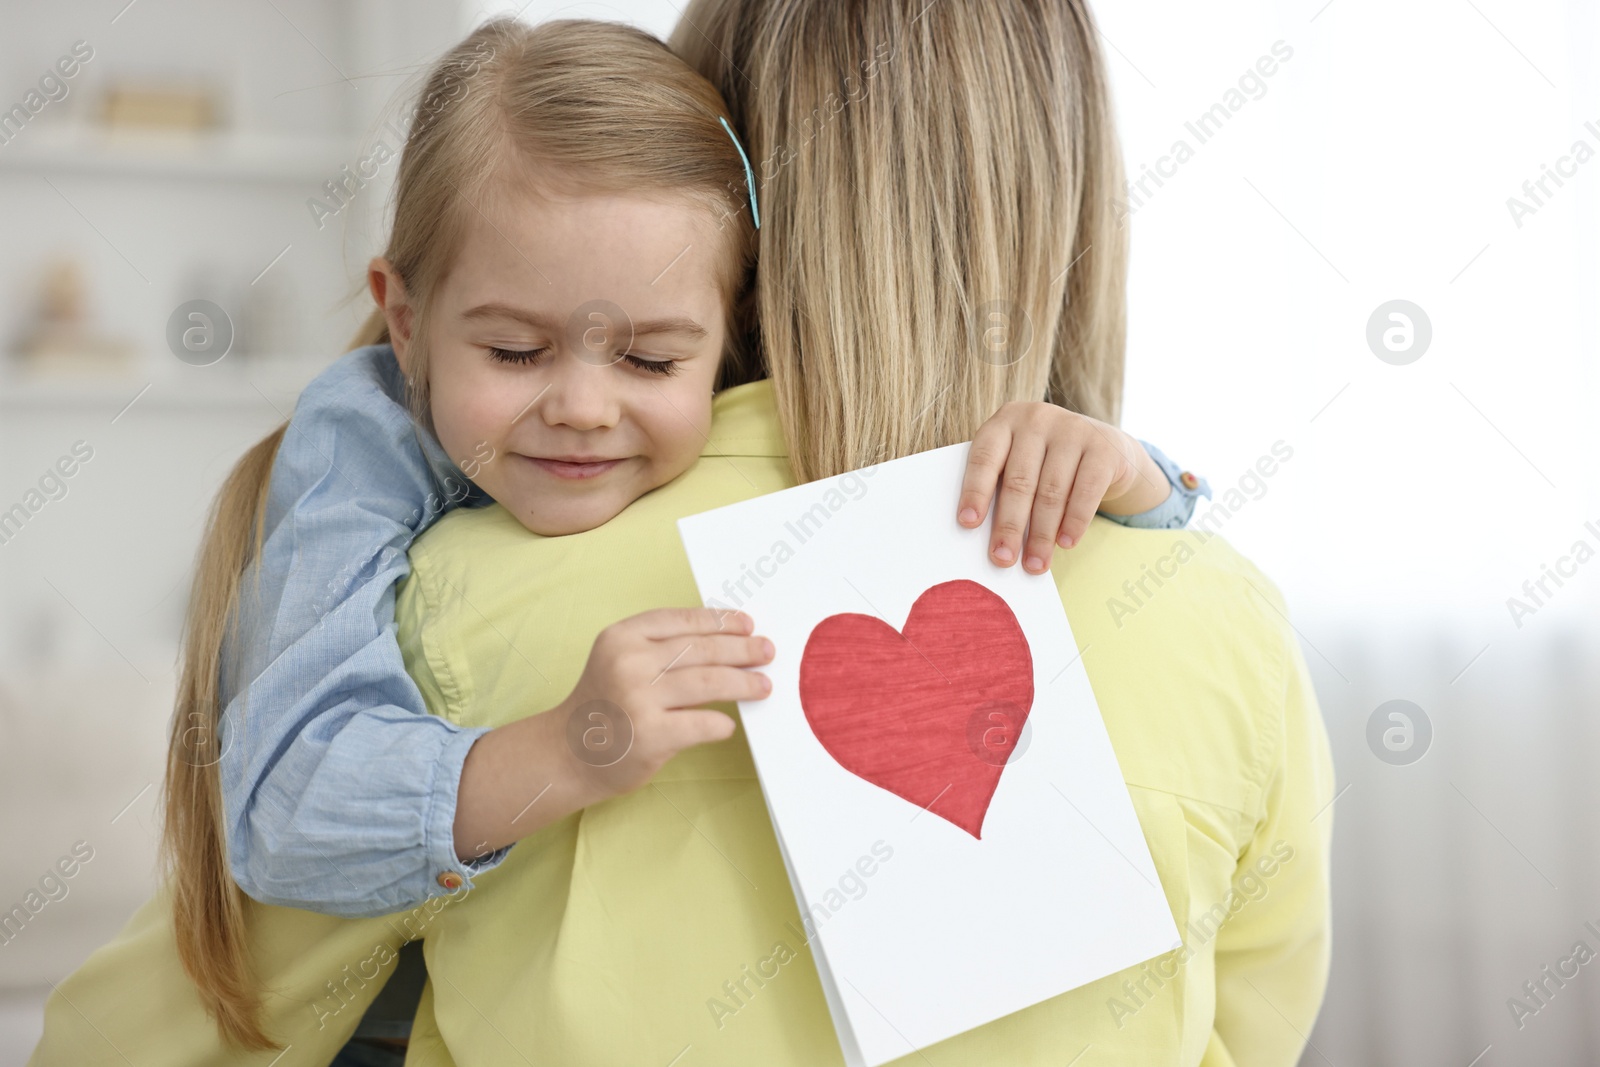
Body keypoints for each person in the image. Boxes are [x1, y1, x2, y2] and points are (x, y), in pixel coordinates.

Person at [29, 13, 1216, 1066]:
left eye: (650, 359)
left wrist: (1139, 478)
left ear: (737, 327)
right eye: (513, 352)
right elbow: (287, 812)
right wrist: (566, 747)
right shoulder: (364, 452)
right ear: (403, 316)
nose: (586, 406)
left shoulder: (813, 439)